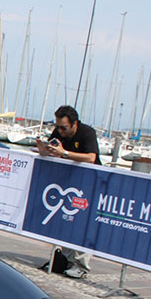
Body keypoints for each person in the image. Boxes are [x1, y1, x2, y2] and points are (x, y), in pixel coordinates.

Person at [36, 105, 101, 279]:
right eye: (57, 126)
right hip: (69, 183)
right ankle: (66, 260)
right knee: (66, 220)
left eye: (63, 127)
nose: (60, 130)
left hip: (90, 183)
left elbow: (91, 157)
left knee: (83, 224)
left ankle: (81, 265)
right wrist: (43, 150)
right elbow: (50, 152)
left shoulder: (87, 133)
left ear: (74, 124)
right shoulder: (58, 133)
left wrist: (64, 153)